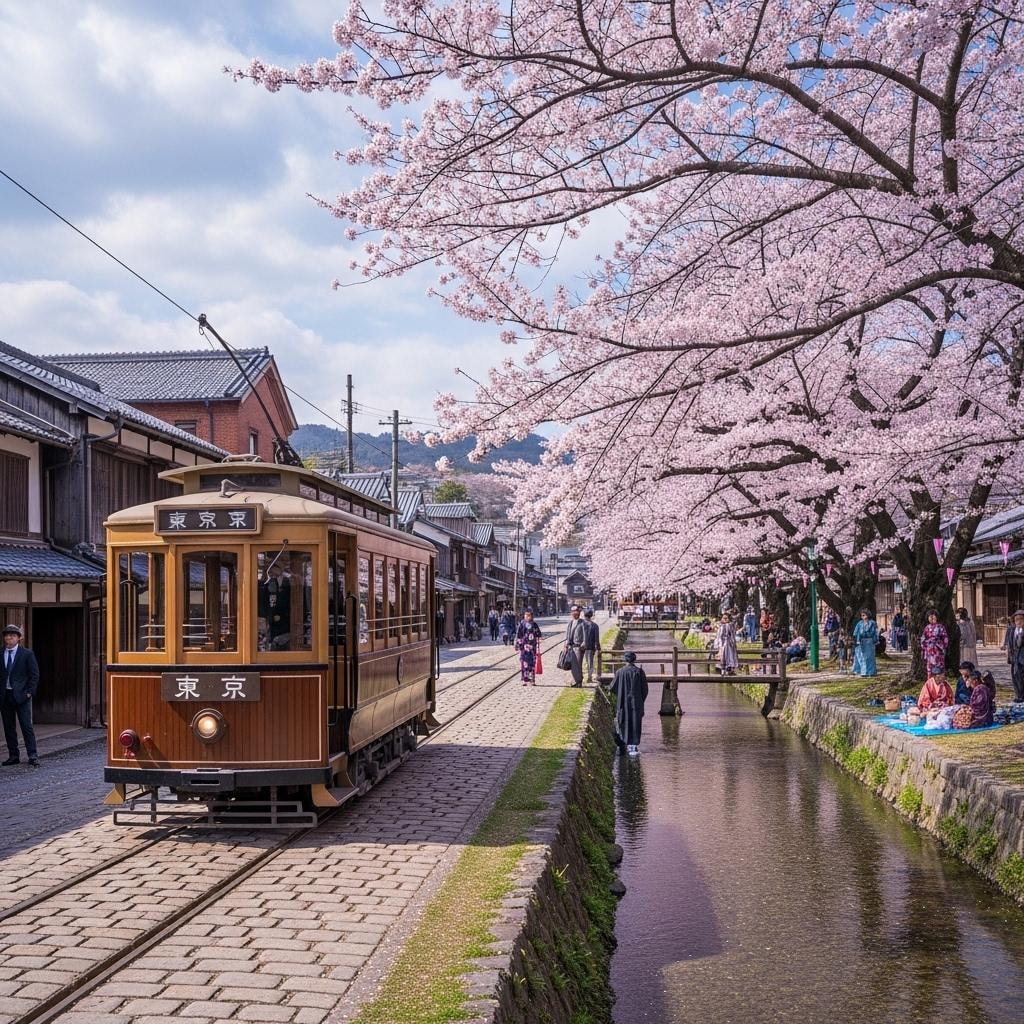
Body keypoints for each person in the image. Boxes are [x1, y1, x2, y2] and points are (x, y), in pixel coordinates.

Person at [1, 624, 40, 767]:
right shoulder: (1, 653)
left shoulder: (27, 654)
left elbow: (34, 675)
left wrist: (29, 692)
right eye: (7, 635)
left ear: (18, 638)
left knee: (26, 726)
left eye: (12, 635)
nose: (9, 638)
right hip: (5, 695)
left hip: (23, 695)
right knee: (8, 727)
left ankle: (33, 754)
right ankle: (13, 755)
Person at [610, 651, 649, 757]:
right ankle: (634, 745)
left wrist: (620, 695)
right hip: (636, 704)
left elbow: (612, 687)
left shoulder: (620, 672)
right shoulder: (640, 672)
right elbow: (645, 690)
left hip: (623, 703)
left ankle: (625, 743)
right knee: (636, 723)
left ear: (625, 660)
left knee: (624, 722)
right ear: (634, 660)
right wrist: (641, 700)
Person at [515, 608, 542, 685]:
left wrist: (539, 639)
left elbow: (538, 634)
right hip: (524, 647)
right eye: (526, 615)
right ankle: (525, 680)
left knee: (532, 663)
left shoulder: (534, 624)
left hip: (532, 647)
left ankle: (532, 680)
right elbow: (518, 635)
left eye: (529, 615)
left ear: (532, 616)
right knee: (524, 663)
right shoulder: (522, 623)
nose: (527, 617)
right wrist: (518, 644)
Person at [920, 609, 950, 678]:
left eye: (933, 617)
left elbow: (945, 638)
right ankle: (930, 685)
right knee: (930, 669)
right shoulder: (927, 628)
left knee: (939, 669)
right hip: (929, 651)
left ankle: (939, 684)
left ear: (937, 617)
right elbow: (923, 638)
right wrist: (925, 645)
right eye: (930, 617)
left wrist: (941, 645)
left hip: (938, 651)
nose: (931, 618)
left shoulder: (940, 627)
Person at [563, 605, 587, 687]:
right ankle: (576, 680)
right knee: (573, 665)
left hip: (579, 647)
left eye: (576, 611)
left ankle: (579, 681)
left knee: (578, 664)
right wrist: (565, 645)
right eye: (572, 611)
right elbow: (567, 635)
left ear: (579, 613)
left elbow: (585, 635)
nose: (574, 613)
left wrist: (584, 643)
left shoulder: (583, 623)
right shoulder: (570, 623)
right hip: (571, 647)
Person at [852, 609, 878, 677]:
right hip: (861, 641)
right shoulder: (860, 623)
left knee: (869, 657)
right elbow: (855, 632)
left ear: (867, 615)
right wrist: (856, 639)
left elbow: (875, 632)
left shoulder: (872, 623)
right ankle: (863, 672)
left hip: (869, 642)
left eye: (864, 615)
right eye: (861, 615)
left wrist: (875, 640)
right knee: (861, 657)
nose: (862, 616)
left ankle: (871, 672)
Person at [582, 609, 600, 684]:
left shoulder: (581, 624)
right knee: (590, 662)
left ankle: (581, 677)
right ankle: (589, 677)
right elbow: (597, 639)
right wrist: (598, 648)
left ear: (584, 615)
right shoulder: (595, 625)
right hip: (590, 647)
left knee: (580, 662)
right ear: (591, 616)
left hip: (580, 646)